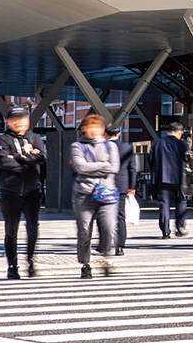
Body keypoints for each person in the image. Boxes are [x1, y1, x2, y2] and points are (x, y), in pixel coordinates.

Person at [0, 105, 46, 280]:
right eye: (14, 119)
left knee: (33, 227)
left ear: (28, 120)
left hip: (33, 190)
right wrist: (28, 159)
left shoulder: (35, 138)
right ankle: (12, 265)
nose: (19, 122)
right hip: (10, 191)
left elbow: (43, 158)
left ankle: (30, 259)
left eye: (22, 119)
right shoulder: (3, 139)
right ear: (8, 122)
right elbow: (4, 163)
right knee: (11, 231)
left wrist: (16, 156)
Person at [70, 111, 120, 278]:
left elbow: (114, 168)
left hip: (107, 195)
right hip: (84, 194)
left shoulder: (110, 146)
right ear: (84, 129)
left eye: (97, 127)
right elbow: (80, 167)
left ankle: (105, 256)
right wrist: (102, 165)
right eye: (90, 127)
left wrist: (91, 165)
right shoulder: (77, 146)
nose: (94, 131)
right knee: (84, 230)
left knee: (109, 226)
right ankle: (85, 264)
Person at [150, 120, 188, 239]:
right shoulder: (182, 144)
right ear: (179, 132)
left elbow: (150, 160)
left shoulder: (157, 143)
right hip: (179, 178)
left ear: (168, 131)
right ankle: (180, 226)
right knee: (181, 201)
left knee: (164, 204)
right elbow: (188, 160)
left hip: (162, 177)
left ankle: (165, 231)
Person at [109, 128, 137, 256]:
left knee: (104, 215)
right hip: (121, 186)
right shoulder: (127, 148)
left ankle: (104, 242)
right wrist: (131, 187)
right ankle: (120, 245)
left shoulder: (103, 147)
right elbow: (132, 169)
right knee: (120, 215)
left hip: (105, 186)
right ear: (118, 133)